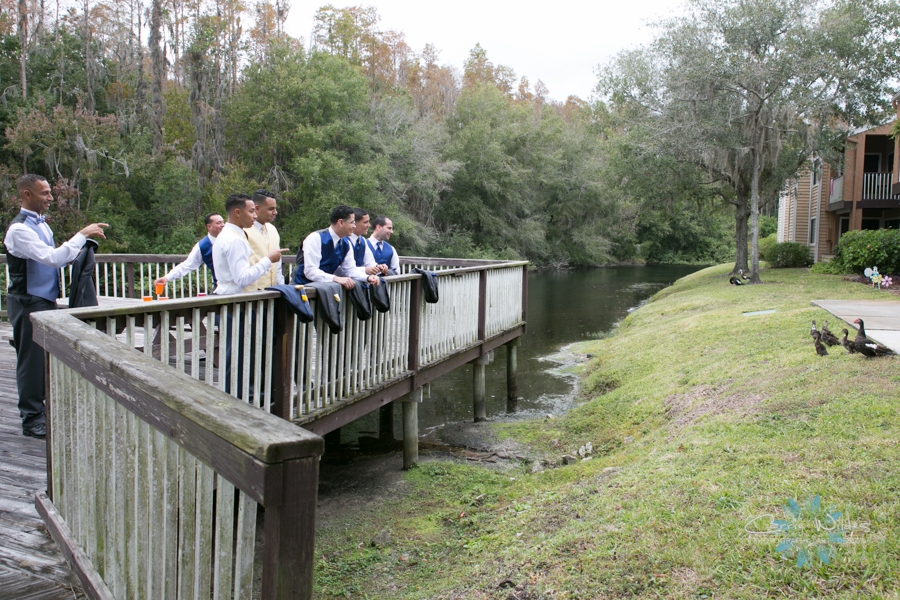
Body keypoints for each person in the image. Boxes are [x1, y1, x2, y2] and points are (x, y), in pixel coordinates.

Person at [3, 174, 108, 439]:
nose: (51, 198)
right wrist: (81, 234)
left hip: (44, 300)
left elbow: (64, 257)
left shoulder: (43, 226)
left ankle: (43, 410)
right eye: (44, 193)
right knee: (30, 359)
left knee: (44, 358)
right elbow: (52, 258)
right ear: (27, 195)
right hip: (27, 301)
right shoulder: (19, 230)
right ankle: (31, 419)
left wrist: (82, 246)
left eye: (50, 192)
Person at [212, 194, 287, 295]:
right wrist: (268, 259)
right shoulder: (234, 240)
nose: (255, 216)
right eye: (251, 211)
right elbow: (242, 279)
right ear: (238, 212)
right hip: (236, 302)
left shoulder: (226, 234)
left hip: (232, 298)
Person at [294, 205, 380, 289]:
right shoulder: (315, 238)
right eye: (352, 222)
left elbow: (350, 270)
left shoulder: (346, 243)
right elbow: (310, 271)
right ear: (341, 222)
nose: (354, 226)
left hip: (324, 290)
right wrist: (335, 278)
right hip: (301, 288)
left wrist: (367, 278)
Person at [154, 213, 225, 290]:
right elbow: (186, 265)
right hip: (220, 288)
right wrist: (166, 278)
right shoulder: (202, 246)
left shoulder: (232, 239)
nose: (223, 225)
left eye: (223, 222)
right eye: (218, 223)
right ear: (209, 226)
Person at [243, 190, 284, 291]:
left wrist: (282, 287)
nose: (275, 212)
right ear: (257, 208)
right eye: (271, 209)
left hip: (273, 291)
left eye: (275, 208)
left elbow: (277, 265)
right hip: (251, 294)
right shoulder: (243, 230)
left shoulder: (272, 229)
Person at [345, 208, 382, 276]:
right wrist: (364, 270)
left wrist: (378, 267)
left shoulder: (363, 241)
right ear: (354, 223)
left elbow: (370, 262)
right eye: (365, 222)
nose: (369, 225)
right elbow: (342, 269)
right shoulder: (344, 240)